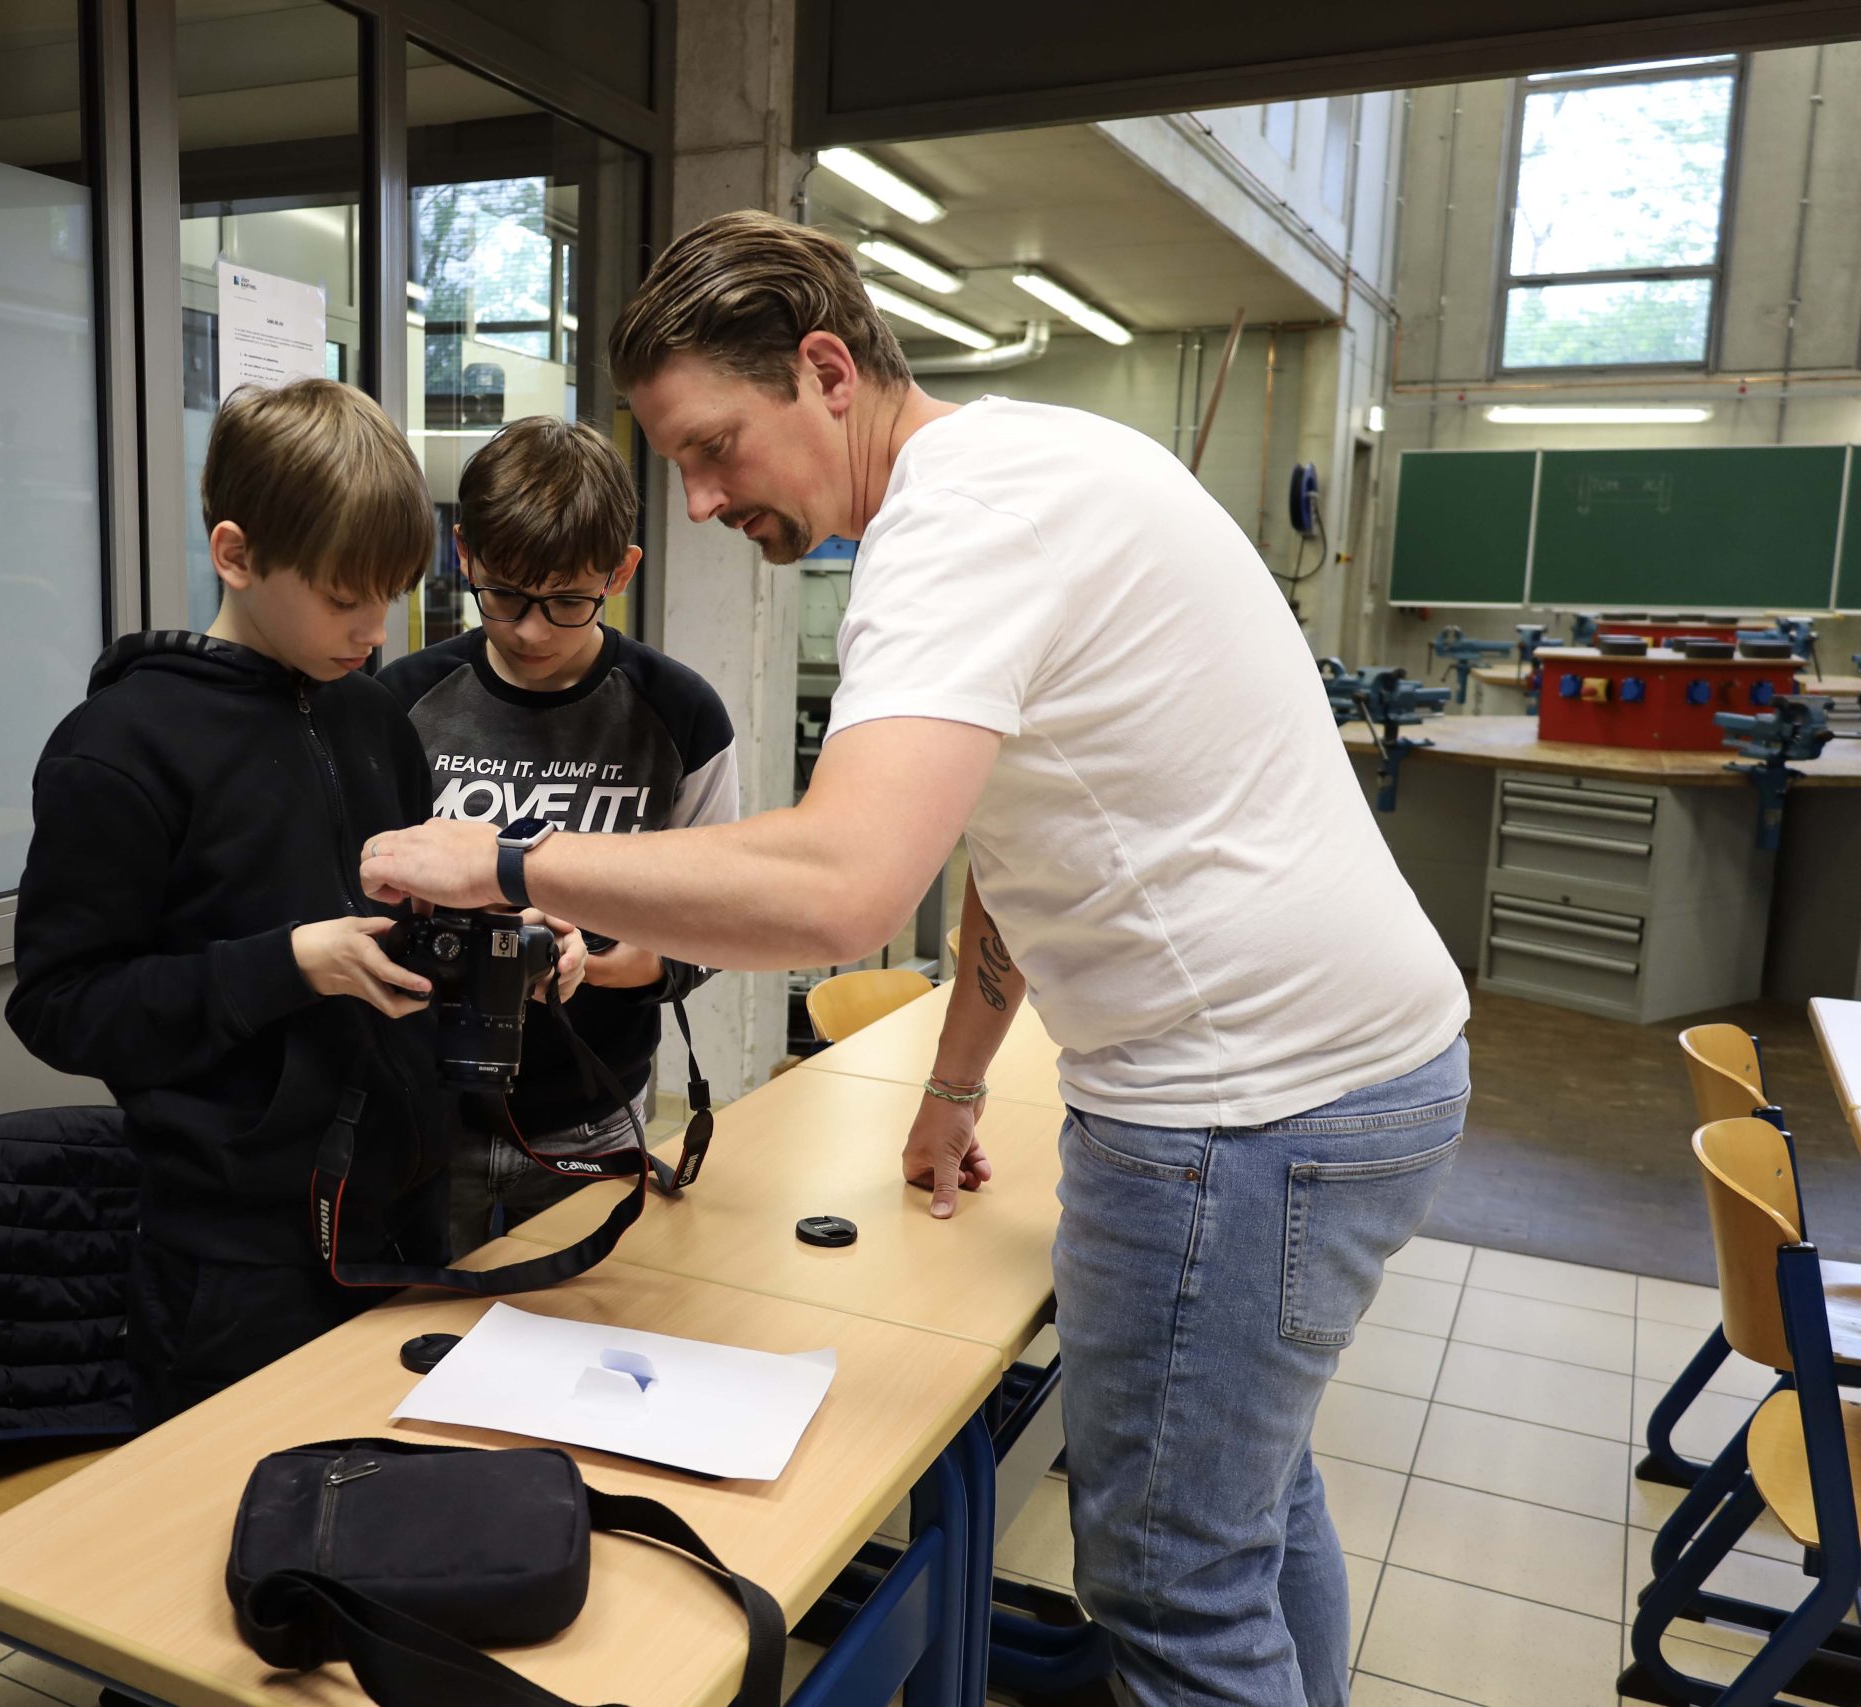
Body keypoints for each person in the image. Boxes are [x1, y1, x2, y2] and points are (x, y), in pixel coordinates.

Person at [357, 211, 1469, 1707]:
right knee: (1252, 1515)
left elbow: (840, 885)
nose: (702, 499)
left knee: (1175, 1586)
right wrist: (956, 1078)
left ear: (827, 372)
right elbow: (1013, 838)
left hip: (1245, 1109)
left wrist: (503, 862)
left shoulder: (956, 526)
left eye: (715, 447)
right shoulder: (1033, 464)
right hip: (1331, 1076)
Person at [3, 378, 581, 1434]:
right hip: (234, 1262)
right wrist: (289, 964)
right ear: (235, 554)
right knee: (232, 1516)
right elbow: (61, 1005)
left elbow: (399, 932)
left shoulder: (375, 720)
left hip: (408, 1214)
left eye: (391, 594)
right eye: (342, 596)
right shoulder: (121, 747)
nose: (373, 629)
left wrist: (504, 948)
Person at [378, 416, 737, 1255]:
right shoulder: (401, 702)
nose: (531, 630)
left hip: (592, 1114)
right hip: (425, 1110)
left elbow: (715, 929)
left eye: (569, 601)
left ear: (621, 572)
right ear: (464, 555)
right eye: (504, 594)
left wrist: (591, 965)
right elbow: (356, 896)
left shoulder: (680, 714)